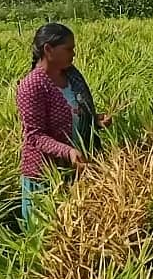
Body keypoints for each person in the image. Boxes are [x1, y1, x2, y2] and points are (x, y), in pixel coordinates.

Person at [16, 23, 112, 224]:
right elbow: (35, 136)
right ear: (48, 49)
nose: (74, 53)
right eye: (68, 49)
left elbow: (76, 113)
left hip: (77, 170)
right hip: (46, 176)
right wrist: (68, 152)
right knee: (47, 239)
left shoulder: (71, 75)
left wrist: (94, 120)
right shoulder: (32, 86)